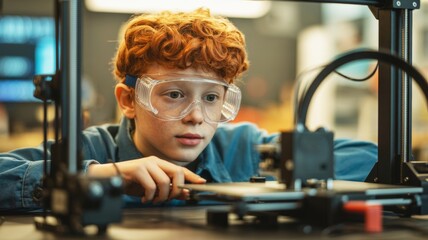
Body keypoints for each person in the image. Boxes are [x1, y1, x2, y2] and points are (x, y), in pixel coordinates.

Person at [0, 8, 377, 211]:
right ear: (129, 100)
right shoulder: (92, 152)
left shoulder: (245, 149)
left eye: (212, 98)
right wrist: (103, 176)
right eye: (175, 95)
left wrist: (298, 169)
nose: (197, 115)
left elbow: (376, 163)